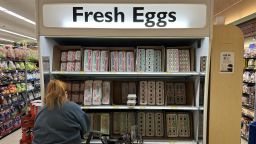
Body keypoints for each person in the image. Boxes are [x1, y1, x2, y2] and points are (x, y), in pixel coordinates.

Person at [33, 80, 90, 144]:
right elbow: (85, 129)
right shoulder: (74, 108)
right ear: (65, 93)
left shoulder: (41, 111)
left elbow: (36, 132)